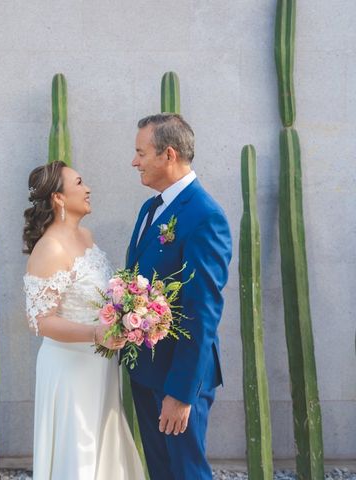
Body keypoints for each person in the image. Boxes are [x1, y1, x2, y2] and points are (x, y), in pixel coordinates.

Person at [23, 160, 145, 480]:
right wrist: (96, 333)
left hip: (100, 365)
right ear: (58, 198)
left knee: (105, 442)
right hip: (70, 369)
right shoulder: (49, 248)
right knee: (79, 447)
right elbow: (39, 321)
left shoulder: (87, 237)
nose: (87, 188)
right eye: (78, 183)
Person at [126, 113, 232, 479]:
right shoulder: (149, 208)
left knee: (187, 472)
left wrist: (182, 393)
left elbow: (202, 311)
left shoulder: (205, 216)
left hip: (179, 378)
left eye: (141, 152)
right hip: (146, 372)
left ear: (168, 154)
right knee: (161, 471)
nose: (134, 161)